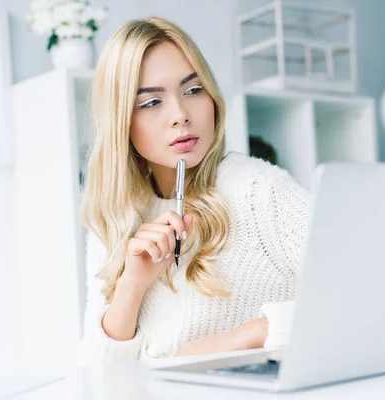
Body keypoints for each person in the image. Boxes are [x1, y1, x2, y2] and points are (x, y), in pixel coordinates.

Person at [76, 16, 311, 366]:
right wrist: (132, 285)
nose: (180, 114)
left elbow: (371, 292)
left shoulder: (261, 192)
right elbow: (97, 376)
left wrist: (251, 335)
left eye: (193, 89)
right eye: (152, 102)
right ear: (121, 122)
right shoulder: (114, 218)